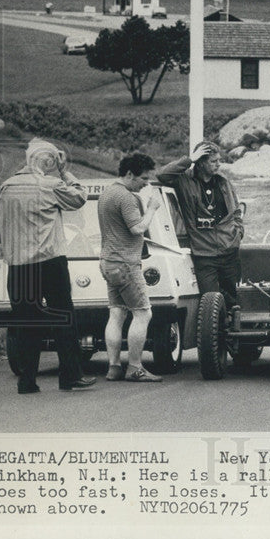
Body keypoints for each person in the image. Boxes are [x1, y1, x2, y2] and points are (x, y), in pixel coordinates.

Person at [0, 139, 96, 393]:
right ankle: (71, 375)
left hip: (17, 265)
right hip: (49, 260)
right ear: (48, 161)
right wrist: (64, 172)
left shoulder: (6, 187)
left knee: (26, 322)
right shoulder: (50, 184)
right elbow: (79, 198)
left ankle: (27, 381)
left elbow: (0, 225)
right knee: (64, 316)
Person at [98, 153, 163, 383]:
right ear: (129, 174)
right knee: (143, 313)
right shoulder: (126, 197)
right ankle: (135, 367)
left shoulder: (106, 193)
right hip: (126, 263)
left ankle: (114, 367)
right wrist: (152, 208)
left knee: (116, 312)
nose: (146, 183)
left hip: (108, 262)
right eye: (143, 178)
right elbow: (138, 229)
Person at [157, 141, 244, 309]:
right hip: (204, 254)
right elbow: (162, 175)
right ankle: (214, 334)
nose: (218, 164)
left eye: (219, 160)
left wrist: (238, 232)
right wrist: (189, 159)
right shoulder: (184, 180)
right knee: (210, 303)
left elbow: (236, 210)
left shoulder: (223, 181)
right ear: (201, 162)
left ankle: (232, 332)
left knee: (234, 301)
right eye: (213, 161)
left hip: (230, 251)